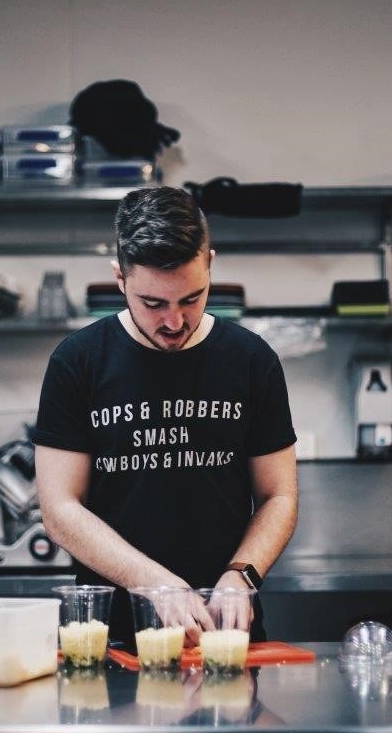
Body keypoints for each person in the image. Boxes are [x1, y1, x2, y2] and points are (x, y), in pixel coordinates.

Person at [34, 186, 298, 647]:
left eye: (191, 299)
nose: (174, 322)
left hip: (224, 635)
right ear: (120, 278)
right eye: (153, 303)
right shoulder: (77, 362)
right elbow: (59, 509)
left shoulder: (252, 361)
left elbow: (278, 495)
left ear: (210, 264)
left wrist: (241, 574)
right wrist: (154, 583)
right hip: (112, 639)